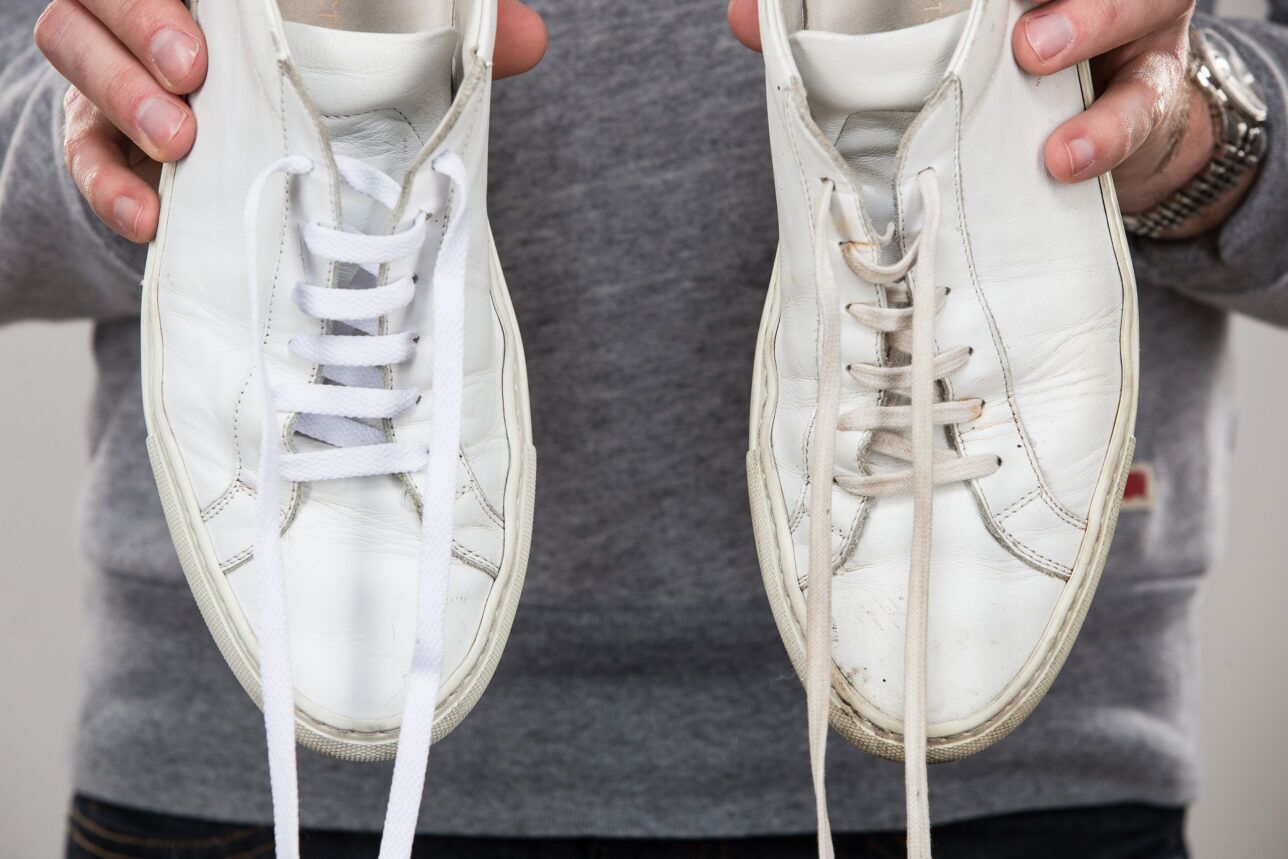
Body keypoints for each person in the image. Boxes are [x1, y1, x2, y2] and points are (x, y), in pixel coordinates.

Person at [3, 0, 1285, 854]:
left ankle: (927, 68)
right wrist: (151, 144)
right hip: (232, 773)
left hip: (1037, 789)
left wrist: (1192, 132)